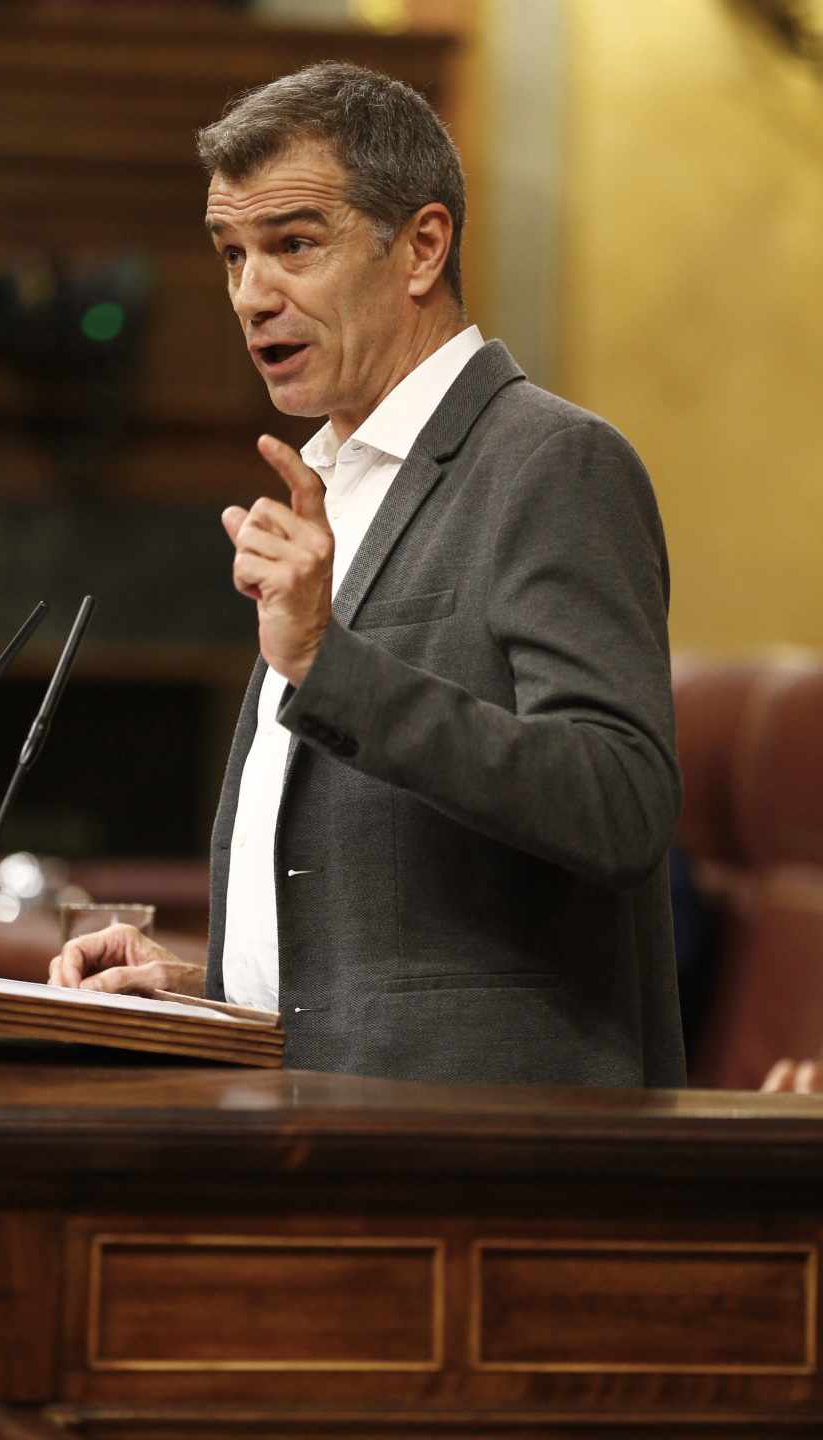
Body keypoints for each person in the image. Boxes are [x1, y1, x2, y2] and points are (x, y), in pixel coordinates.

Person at [49, 62, 686, 1088]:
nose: (252, 294)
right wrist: (213, 999)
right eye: (231, 254)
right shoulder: (331, 483)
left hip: (488, 1152)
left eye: (293, 244)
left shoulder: (550, 461)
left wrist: (325, 663)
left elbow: (619, 801)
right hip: (316, 1127)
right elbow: (376, 918)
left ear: (422, 245)